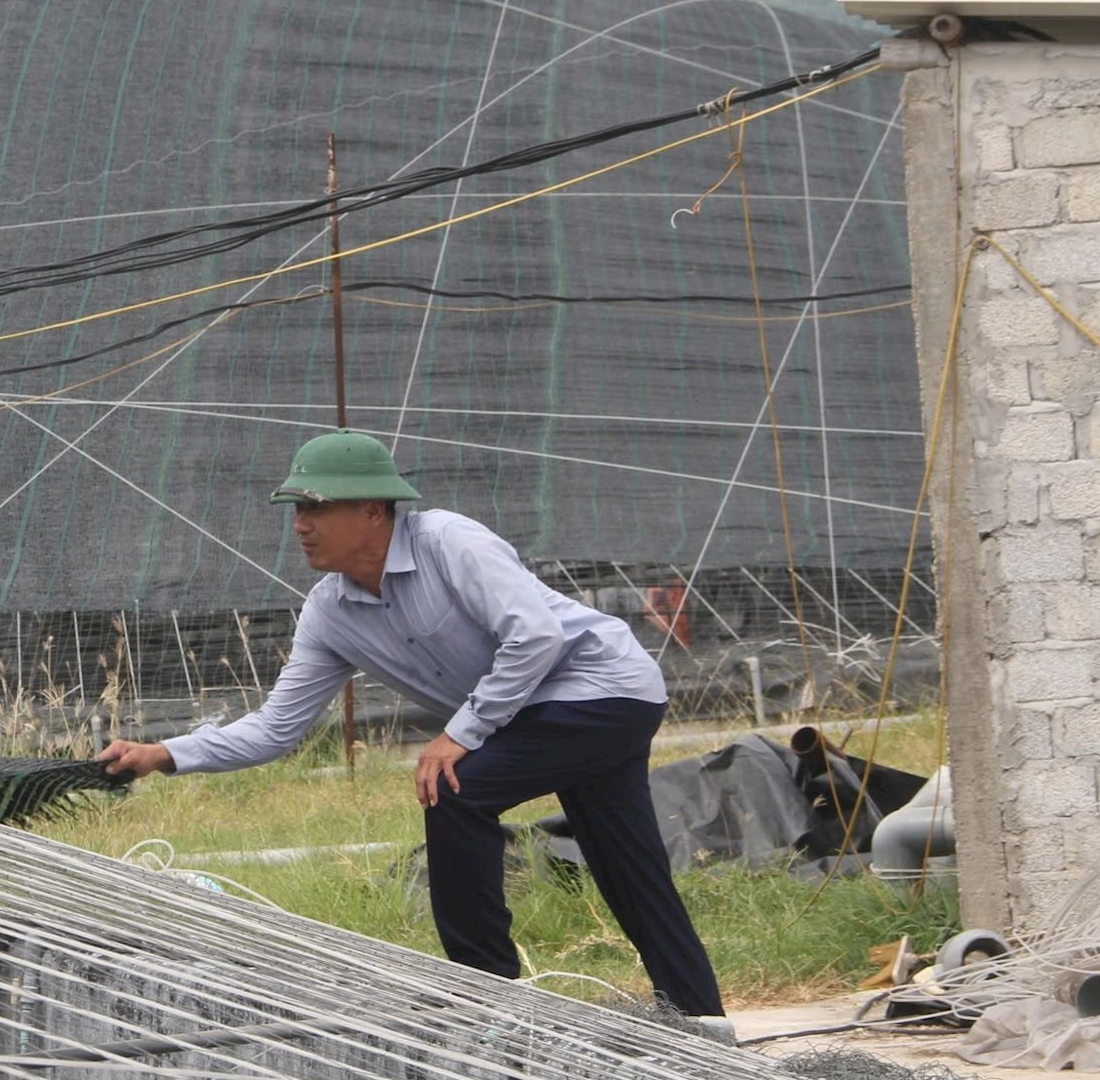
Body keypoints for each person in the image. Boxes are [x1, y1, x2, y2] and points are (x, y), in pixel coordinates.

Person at [98, 430, 724, 1018]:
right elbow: (277, 728)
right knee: (626, 861)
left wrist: (459, 736)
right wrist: (163, 754)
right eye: (295, 509)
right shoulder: (329, 612)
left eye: (315, 507)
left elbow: (533, 637)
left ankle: (489, 1001)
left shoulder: (450, 541)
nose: (300, 525)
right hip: (542, 712)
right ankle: (701, 1019)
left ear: (374, 510)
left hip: (605, 689)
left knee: (455, 787)